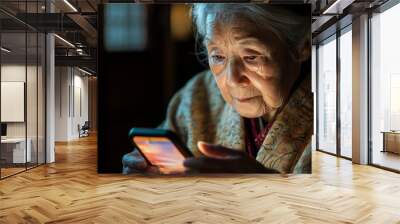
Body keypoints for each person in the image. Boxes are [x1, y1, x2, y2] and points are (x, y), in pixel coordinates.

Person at [122, 3, 313, 174]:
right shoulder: (196, 96)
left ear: (301, 46)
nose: (231, 79)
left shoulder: (333, 115)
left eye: (251, 57)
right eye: (218, 57)